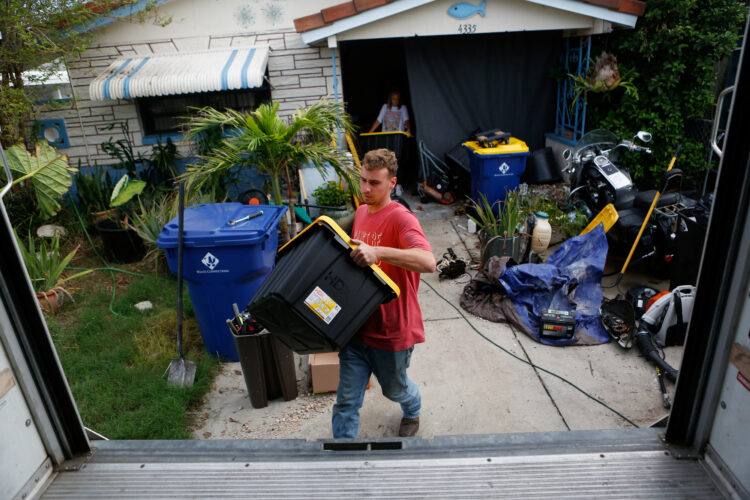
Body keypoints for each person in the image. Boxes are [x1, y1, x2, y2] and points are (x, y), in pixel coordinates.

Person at [332, 148, 436, 439]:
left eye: (374, 183)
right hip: (356, 328)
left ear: (392, 183)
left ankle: (412, 407)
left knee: (395, 389)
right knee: (346, 403)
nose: (366, 188)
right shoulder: (362, 212)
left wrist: (379, 252)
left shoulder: (401, 219)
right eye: (363, 180)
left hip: (391, 333)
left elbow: (428, 261)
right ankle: (343, 462)